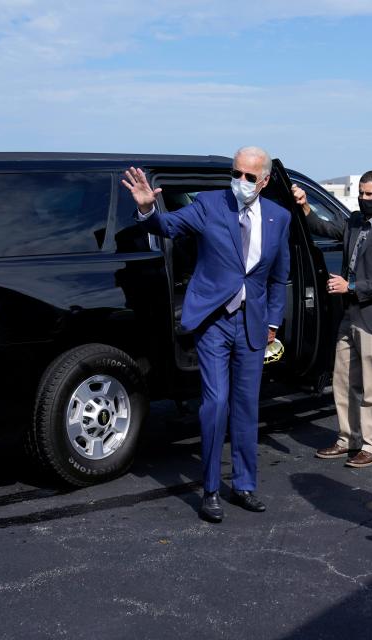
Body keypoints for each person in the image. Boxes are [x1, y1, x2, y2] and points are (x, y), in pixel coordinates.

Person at [121, 146, 291, 523]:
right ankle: (211, 489)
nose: (241, 182)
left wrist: (273, 323)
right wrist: (148, 208)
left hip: (252, 324)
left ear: (263, 180)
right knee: (215, 405)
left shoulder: (279, 217)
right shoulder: (210, 204)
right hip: (214, 322)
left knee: (247, 407)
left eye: (249, 177)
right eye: (236, 173)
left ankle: (244, 485)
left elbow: (278, 278)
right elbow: (167, 226)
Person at [293, 171, 372, 468]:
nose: (364, 198)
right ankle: (348, 438)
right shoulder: (354, 221)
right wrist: (305, 206)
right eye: (361, 193)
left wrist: (351, 287)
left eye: (370, 194)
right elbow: (325, 227)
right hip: (351, 314)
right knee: (343, 380)